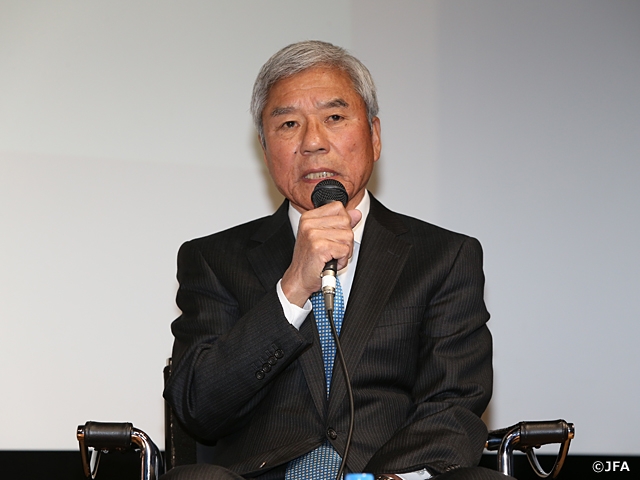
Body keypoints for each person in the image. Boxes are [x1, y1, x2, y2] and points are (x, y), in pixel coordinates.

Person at [163, 40, 507, 480]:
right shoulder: (213, 260)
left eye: (334, 118)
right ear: (265, 149)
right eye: (289, 123)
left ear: (374, 136)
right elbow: (198, 408)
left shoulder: (444, 257)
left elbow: (453, 404)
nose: (313, 142)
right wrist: (292, 289)